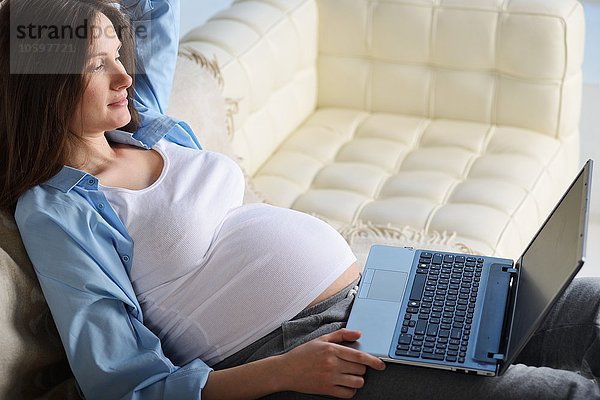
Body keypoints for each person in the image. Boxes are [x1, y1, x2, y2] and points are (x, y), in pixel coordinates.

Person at [0, 0, 598, 399]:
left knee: (590, 311)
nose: (124, 77)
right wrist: (284, 373)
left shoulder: (148, 124)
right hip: (312, 352)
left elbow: (150, 8)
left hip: (377, 294)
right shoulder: (56, 211)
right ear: (40, 87)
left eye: (118, 57)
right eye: (96, 67)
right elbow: (121, 380)